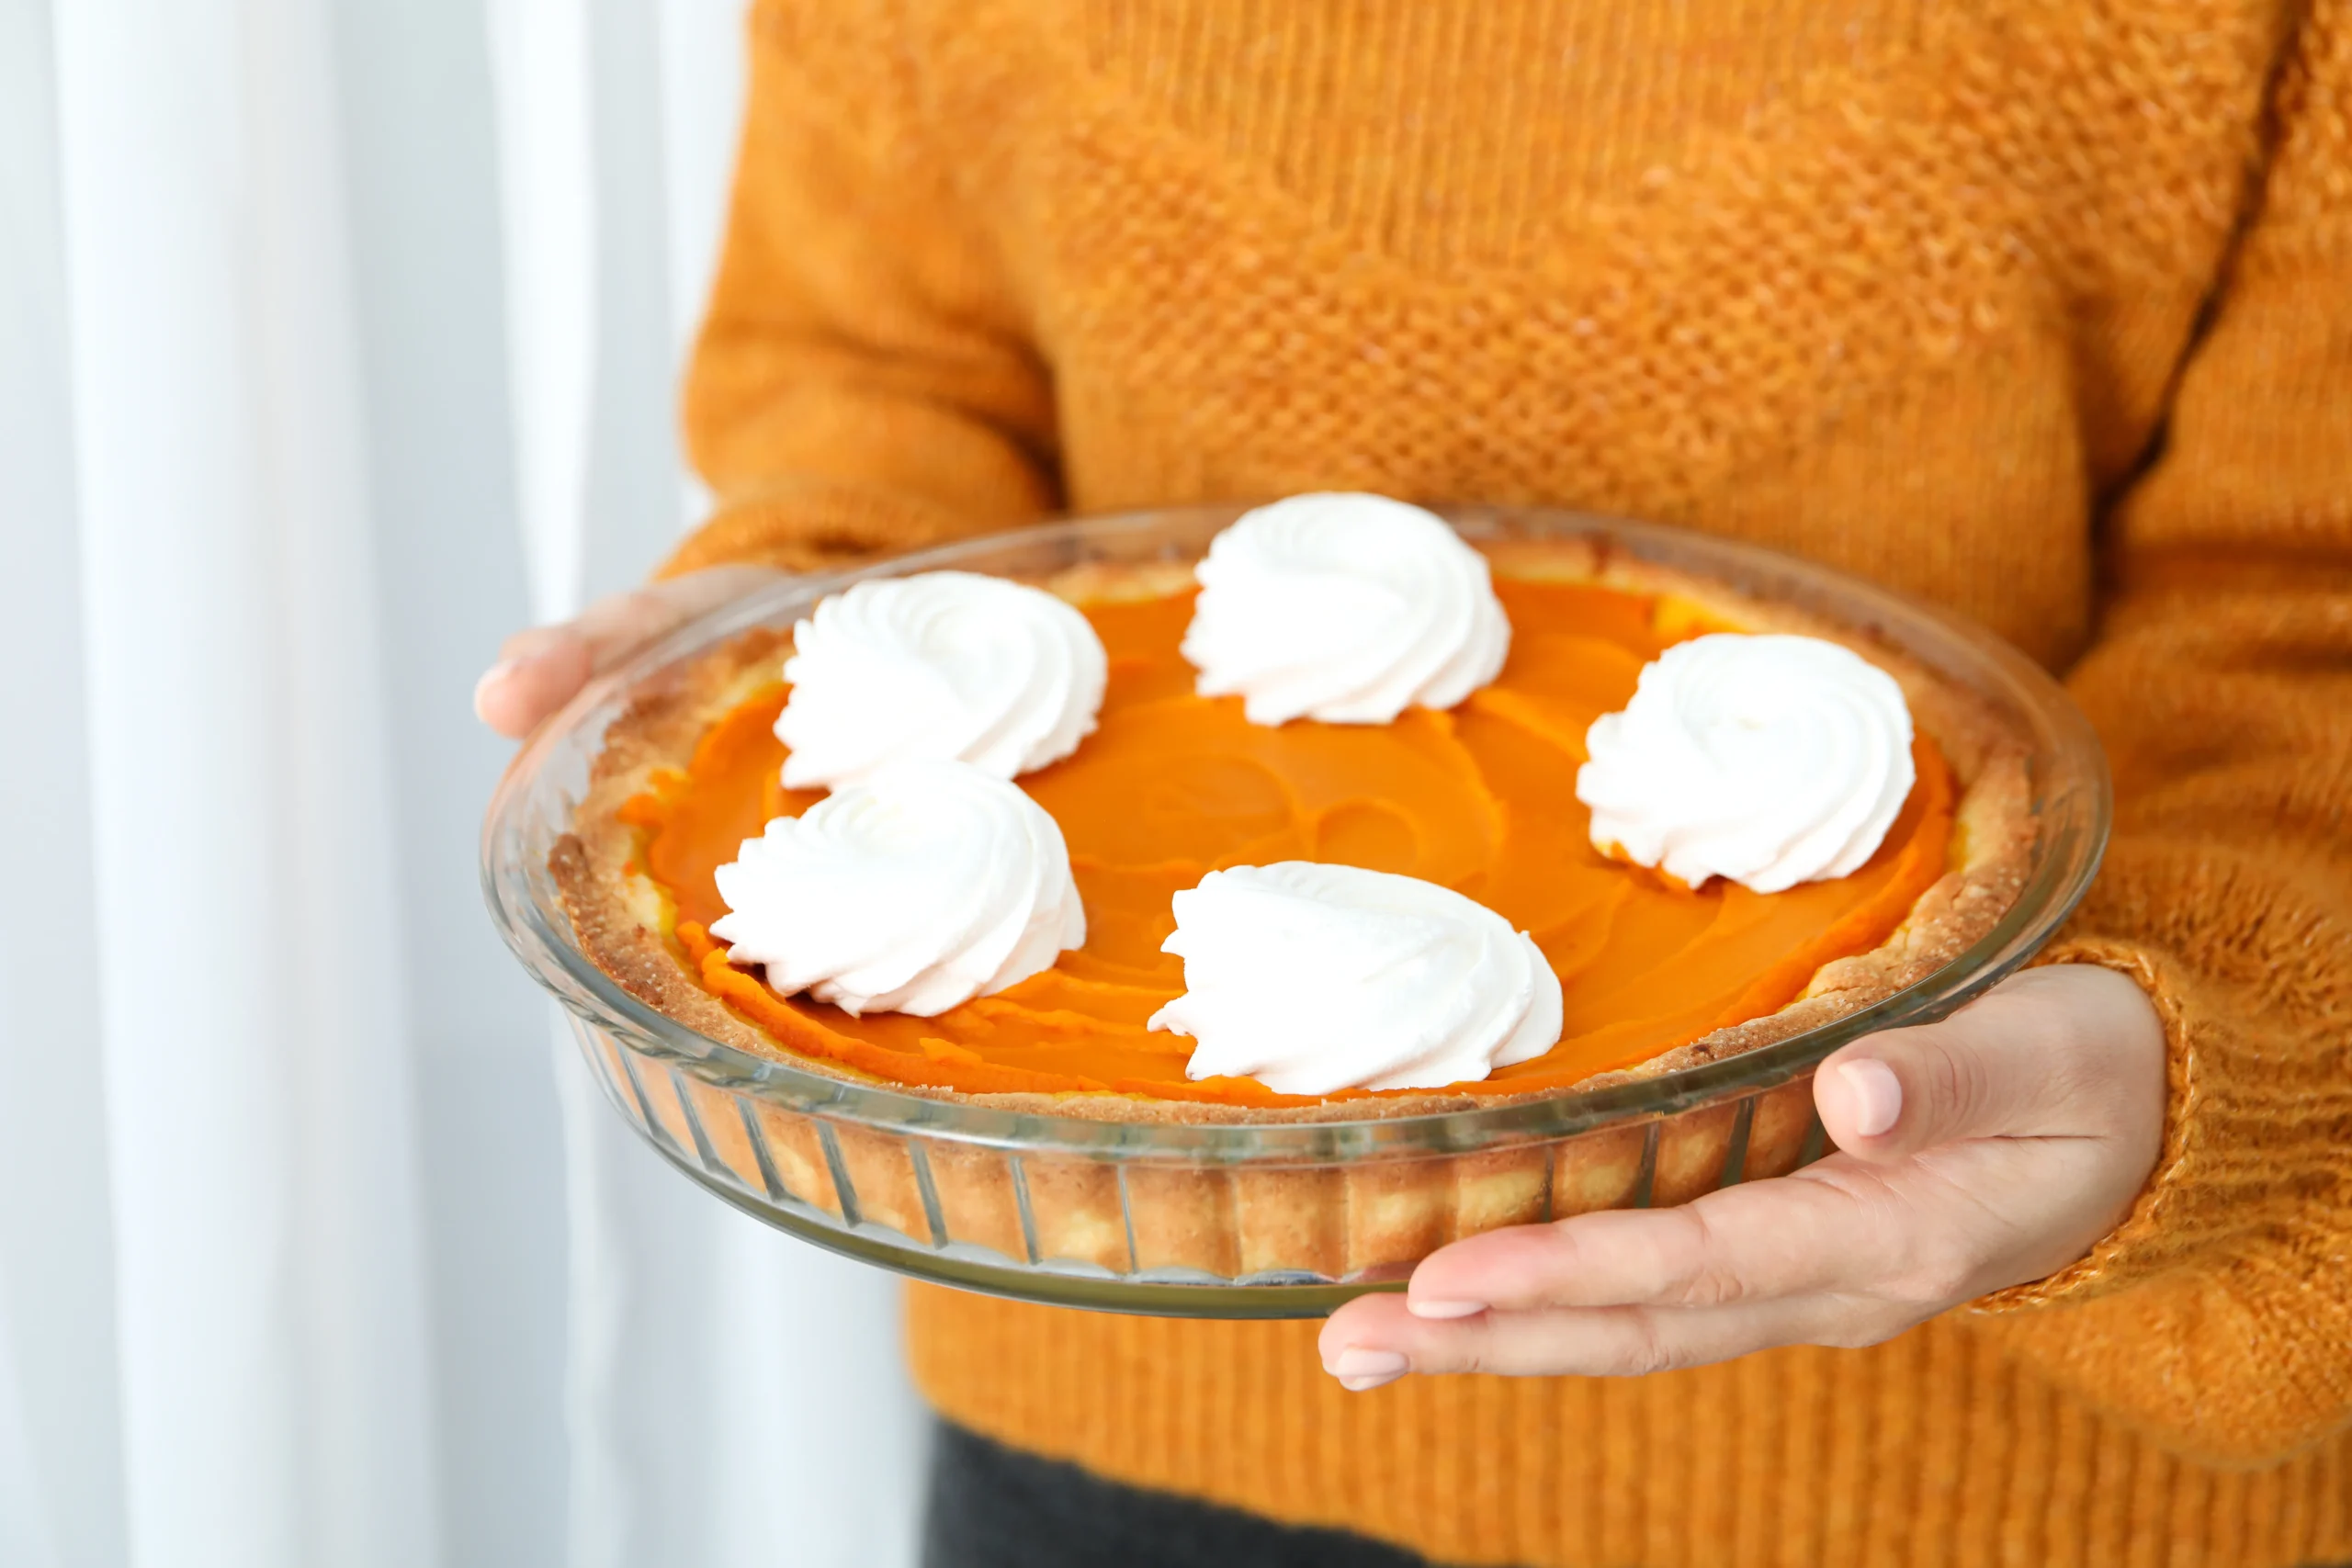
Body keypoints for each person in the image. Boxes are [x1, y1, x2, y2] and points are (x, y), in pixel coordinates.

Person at [476, 2, 2352, 1563]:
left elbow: (2301, 592)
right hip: (1110, 1449)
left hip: (2002, 1495)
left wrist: (2213, 1064)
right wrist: (823, 635)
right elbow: (888, 368)